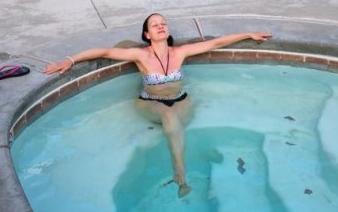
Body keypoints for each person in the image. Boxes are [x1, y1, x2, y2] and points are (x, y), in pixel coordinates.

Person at [45, 13, 272, 197]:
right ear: (147, 34)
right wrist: (70, 60)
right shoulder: (140, 55)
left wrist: (248, 34)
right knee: (169, 117)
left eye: (163, 23)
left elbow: (215, 43)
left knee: (175, 122)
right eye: (155, 25)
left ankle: (185, 165)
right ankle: (180, 175)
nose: (160, 26)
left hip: (181, 99)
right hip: (150, 103)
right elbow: (105, 51)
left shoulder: (180, 52)